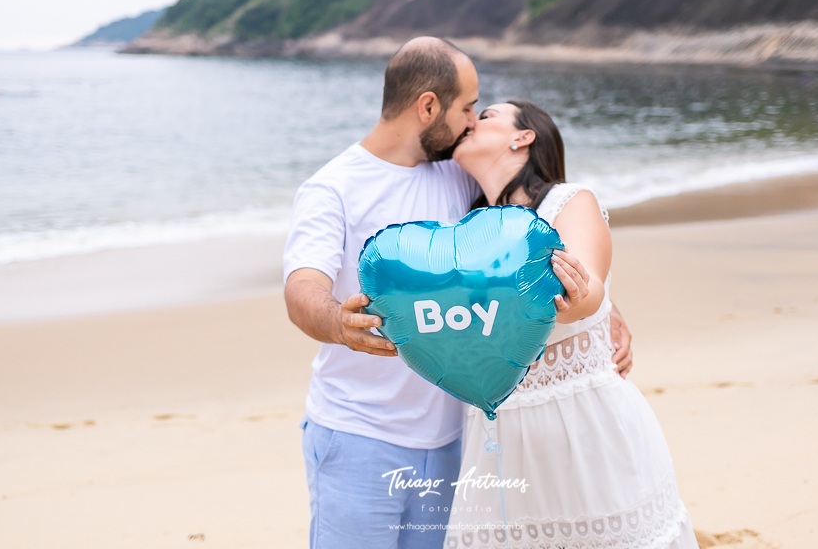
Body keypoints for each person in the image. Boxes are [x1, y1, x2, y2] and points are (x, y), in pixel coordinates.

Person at [283, 38, 634, 549]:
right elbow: (301, 290)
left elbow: (534, 244)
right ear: (428, 107)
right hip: (360, 434)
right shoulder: (332, 188)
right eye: (468, 108)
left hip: (455, 438)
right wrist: (337, 321)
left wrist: (604, 309)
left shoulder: (459, 175)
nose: (473, 121)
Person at [444, 100, 699, 549]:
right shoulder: (464, 228)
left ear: (522, 137)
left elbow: (590, 289)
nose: (471, 121)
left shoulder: (568, 200)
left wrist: (580, 299)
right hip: (496, 435)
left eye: (486, 116)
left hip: (579, 423)